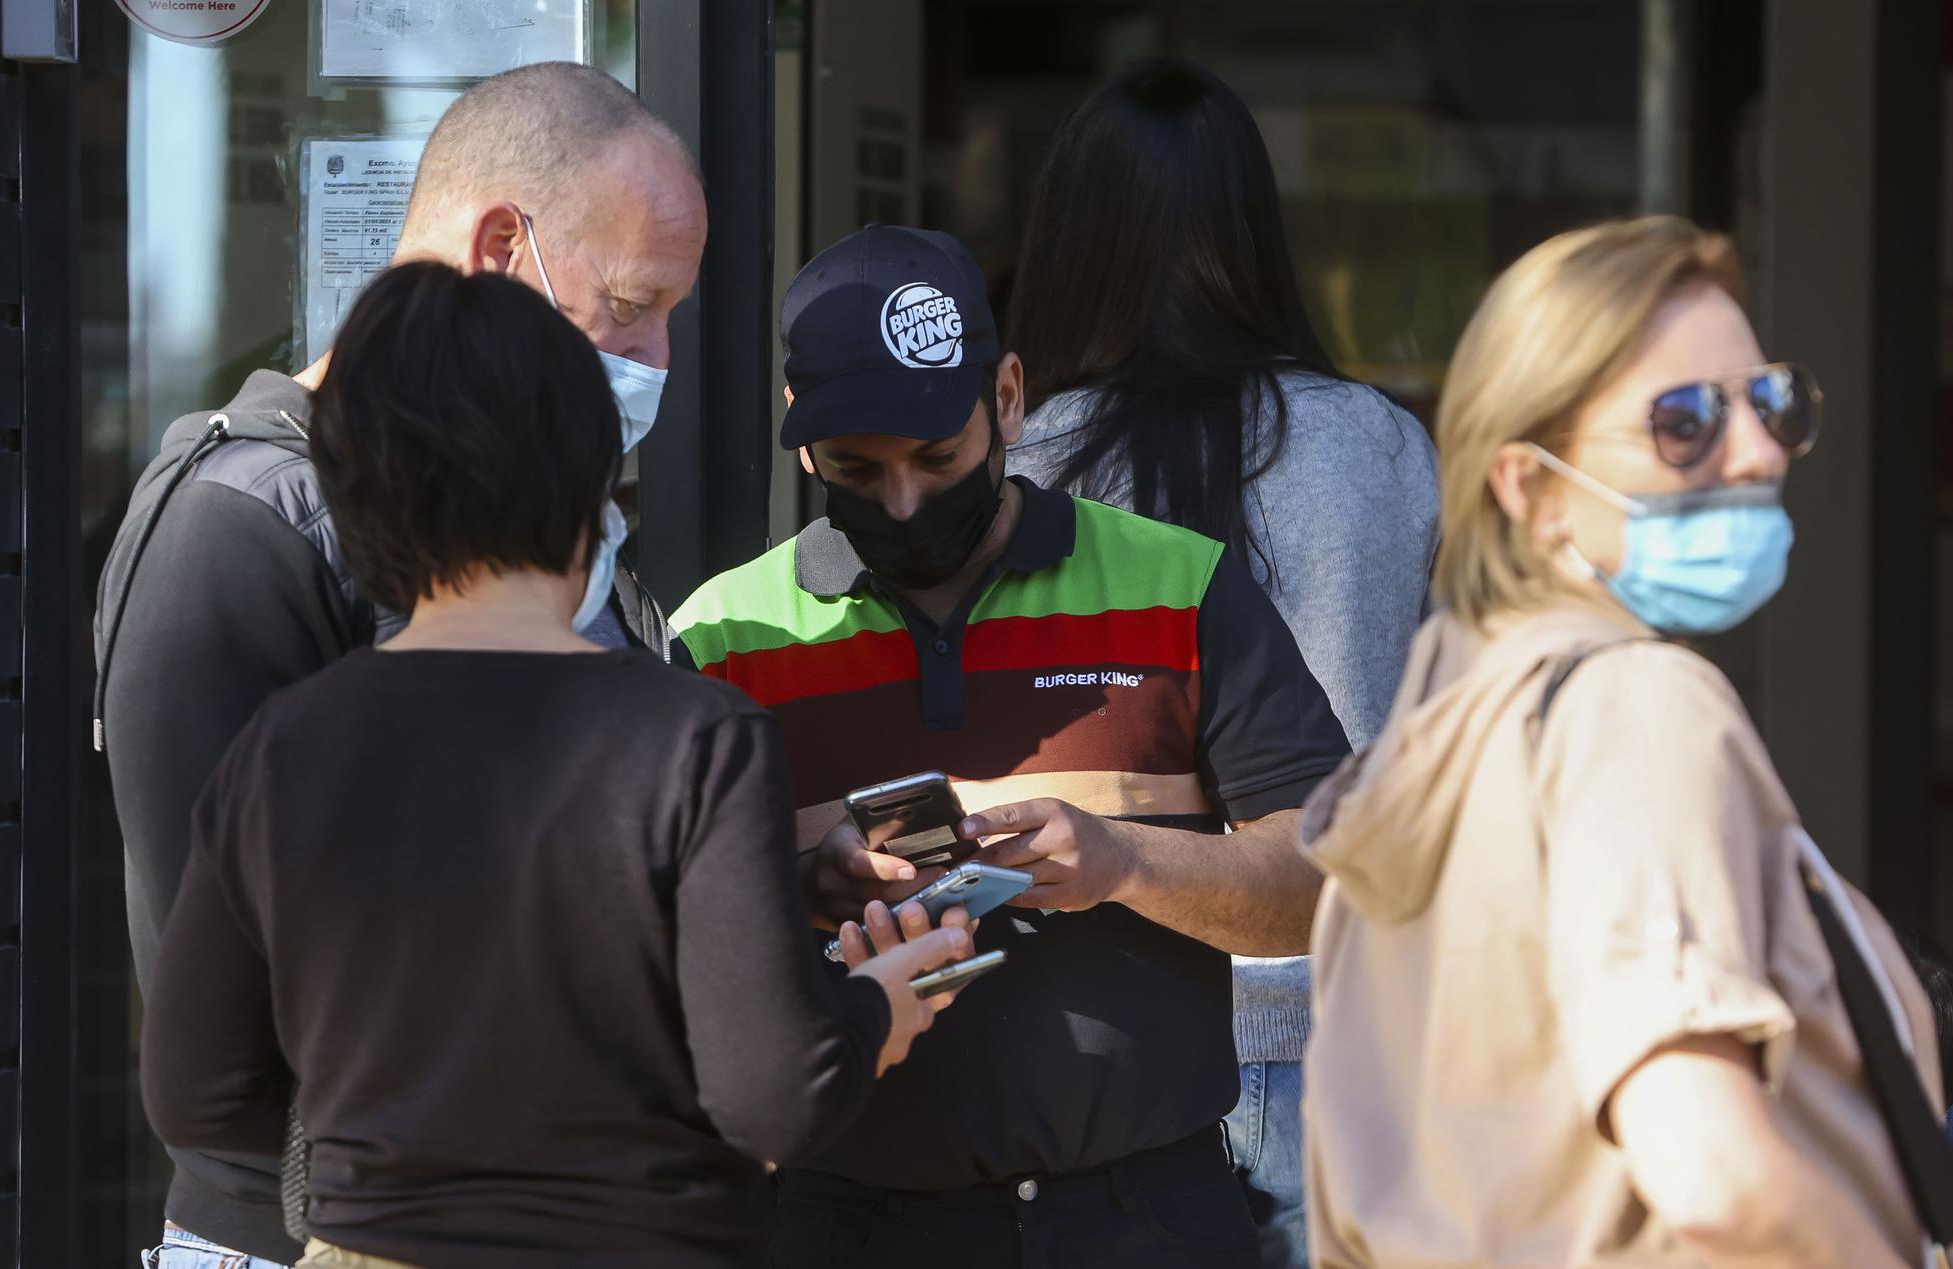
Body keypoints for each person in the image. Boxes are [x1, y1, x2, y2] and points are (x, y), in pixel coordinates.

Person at [138, 262, 975, 1269]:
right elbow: (772, 1099)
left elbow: (197, 1090)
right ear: (592, 499)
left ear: (355, 496)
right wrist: (877, 1004)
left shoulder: (283, 747)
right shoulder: (696, 740)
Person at [93, 63, 706, 1268]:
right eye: (633, 304)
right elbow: (227, 1027)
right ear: (498, 249)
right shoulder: (240, 529)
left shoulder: (549, 518)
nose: (656, 355)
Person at [670, 225, 1353, 1269]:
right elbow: (661, 950)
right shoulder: (726, 637)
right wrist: (813, 883)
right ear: (800, 437)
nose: (902, 503)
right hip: (847, 1226)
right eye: (857, 469)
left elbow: (1328, 882)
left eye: (937, 458)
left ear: (1008, 396)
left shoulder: (1174, 587)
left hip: (1145, 1218)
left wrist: (1125, 862)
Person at [1297, 216, 1945, 1266]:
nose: (1753, 452)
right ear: (1529, 488)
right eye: (1682, 421)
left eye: (1769, 401)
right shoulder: (1634, 705)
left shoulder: (1435, 724)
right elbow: (1711, 1171)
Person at [1002, 59, 1438, 1268]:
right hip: (1357, 1024)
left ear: (1070, 242)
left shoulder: (1023, 463)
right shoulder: (1378, 447)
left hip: (1113, 1048)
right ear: (1254, 235)